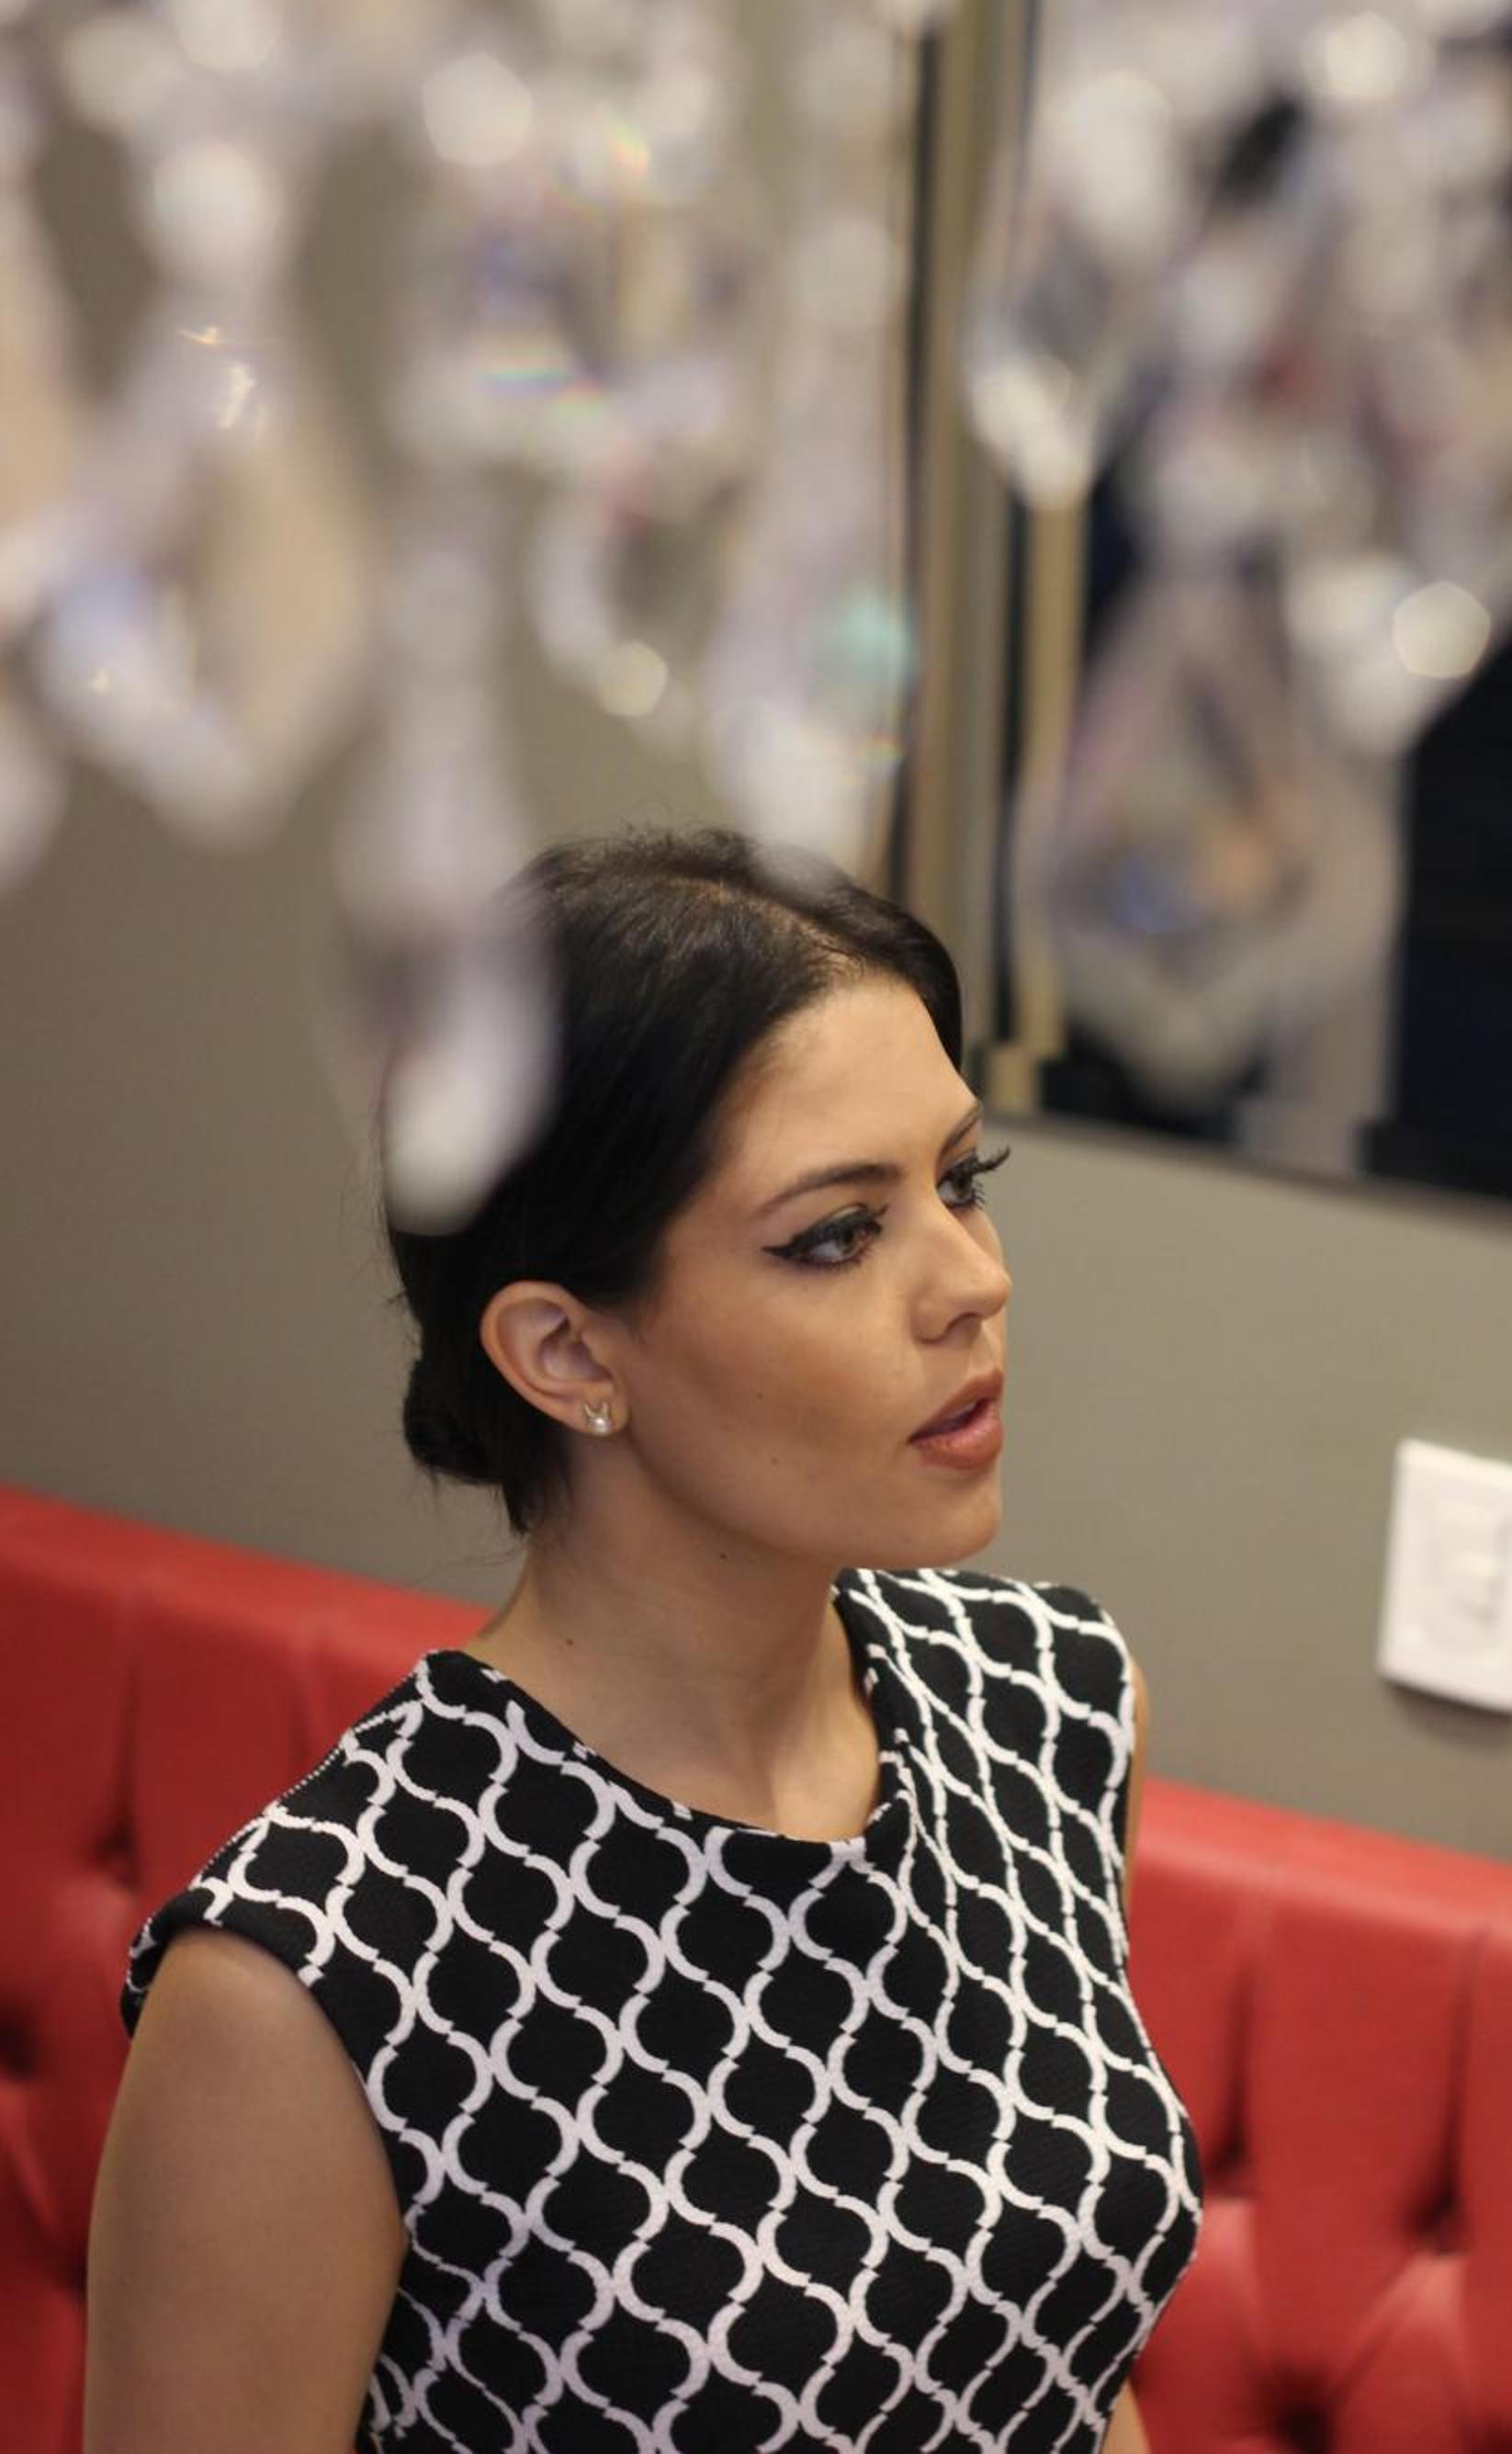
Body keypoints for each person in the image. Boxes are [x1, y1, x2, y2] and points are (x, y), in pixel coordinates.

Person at [85, 826, 1202, 2454]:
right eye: (838, 1233)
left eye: (963, 1182)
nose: (975, 1282)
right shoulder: (323, 1975)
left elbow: (1065, 2368)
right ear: (565, 1350)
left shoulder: (1049, 1706)